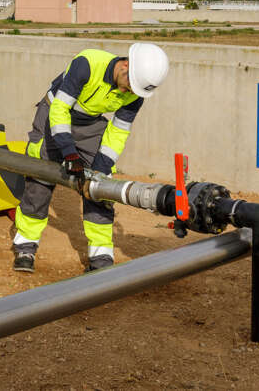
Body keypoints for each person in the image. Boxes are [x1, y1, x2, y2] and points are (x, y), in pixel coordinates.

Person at [12, 43, 169, 273]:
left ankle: (101, 257)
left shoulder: (136, 93)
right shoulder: (87, 64)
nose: (129, 92)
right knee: (41, 178)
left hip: (90, 123)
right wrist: (69, 152)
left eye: (135, 90)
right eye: (129, 86)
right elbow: (60, 110)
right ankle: (25, 246)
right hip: (53, 112)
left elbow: (119, 131)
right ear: (125, 65)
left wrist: (100, 167)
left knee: (101, 186)